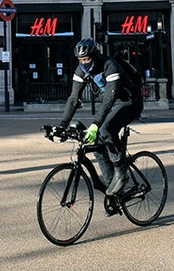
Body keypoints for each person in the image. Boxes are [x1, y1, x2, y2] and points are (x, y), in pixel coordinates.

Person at [56, 38, 144, 197]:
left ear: (95, 55)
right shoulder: (81, 69)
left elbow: (109, 99)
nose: (83, 63)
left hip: (129, 102)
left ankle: (121, 173)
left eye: (87, 59)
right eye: (80, 60)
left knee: (105, 129)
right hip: (111, 105)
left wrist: (96, 124)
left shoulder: (109, 66)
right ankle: (114, 189)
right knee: (96, 143)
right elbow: (73, 98)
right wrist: (62, 125)